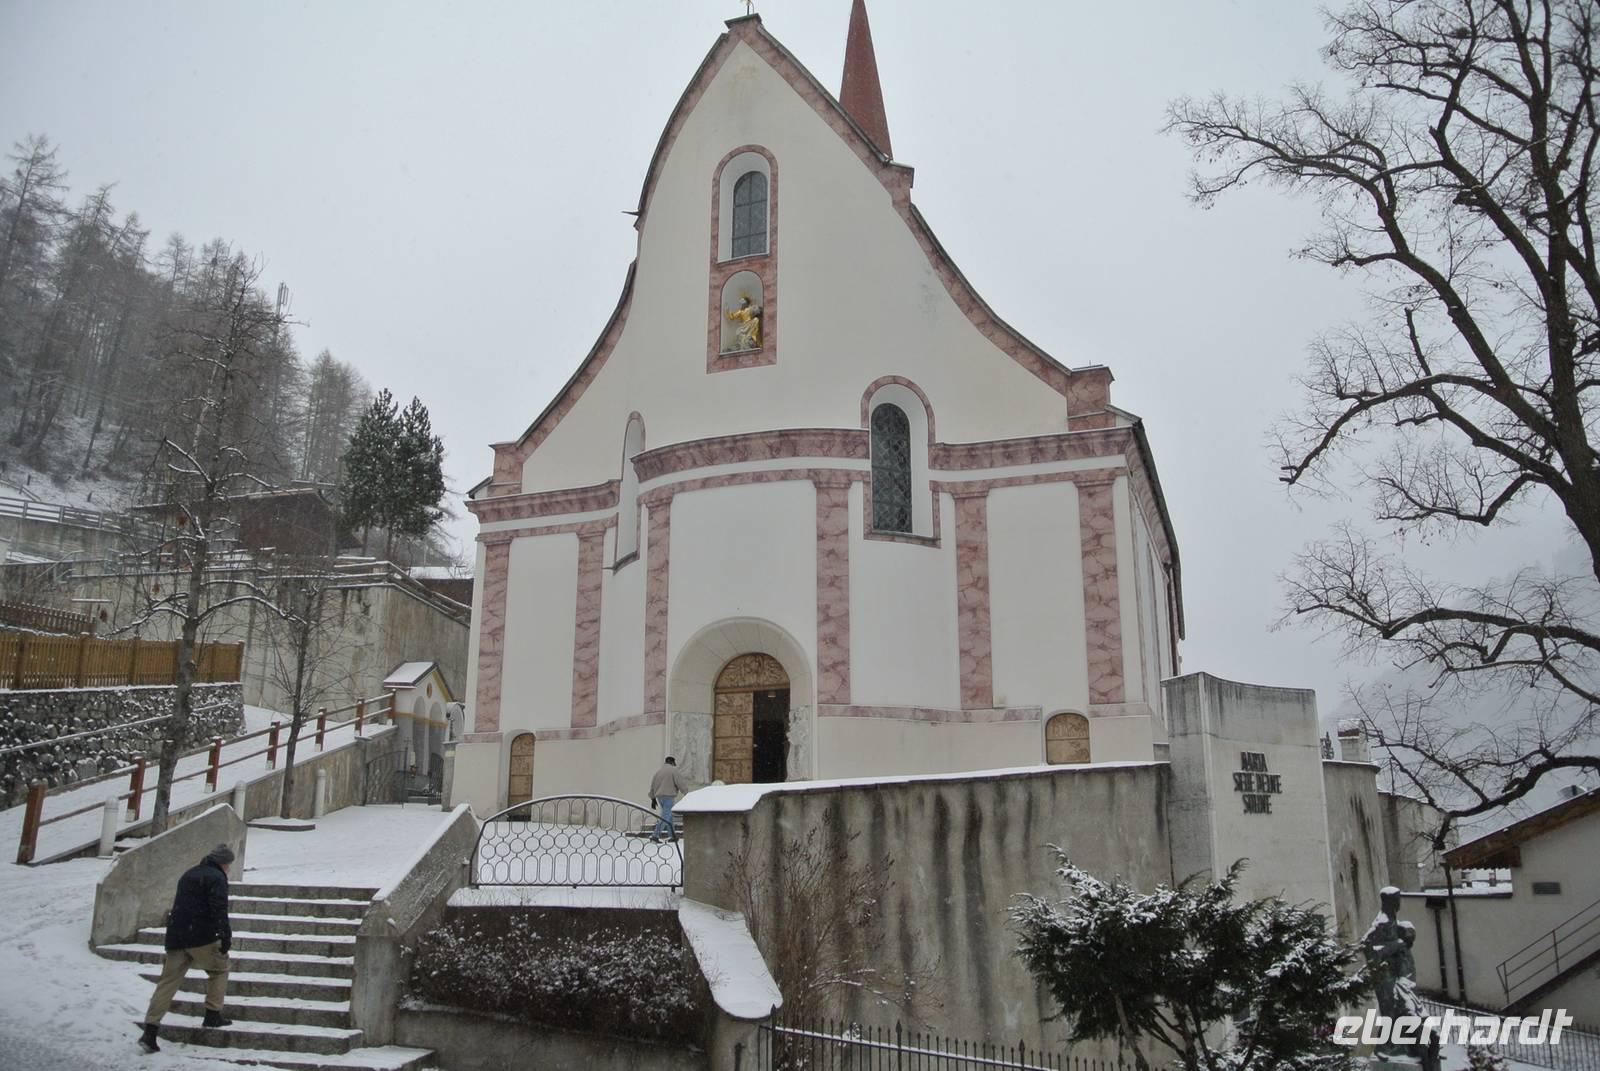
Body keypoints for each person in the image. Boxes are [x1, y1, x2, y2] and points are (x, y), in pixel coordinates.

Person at [138, 843, 235, 1053]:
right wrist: (225, 935)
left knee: (167, 982)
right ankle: (212, 1014)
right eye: (228, 864)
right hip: (201, 936)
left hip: (177, 935)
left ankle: (150, 1030)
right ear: (223, 863)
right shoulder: (217, 878)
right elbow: (219, 909)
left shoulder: (189, 874)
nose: (229, 868)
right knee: (220, 969)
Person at [648, 756, 690, 843]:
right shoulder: (673, 771)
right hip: (668, 796)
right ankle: (655, 835)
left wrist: (653, 798)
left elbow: (653, 785)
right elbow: (680, 783)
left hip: (659, 797)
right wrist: (686, 793)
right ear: (672, 762)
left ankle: (672, 836)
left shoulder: (658, 772)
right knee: (665, 817)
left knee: (669, 816)